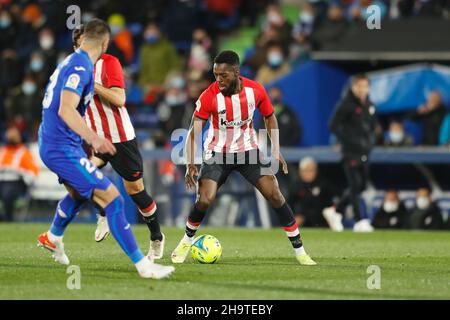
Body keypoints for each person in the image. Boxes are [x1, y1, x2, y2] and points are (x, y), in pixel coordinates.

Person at [36, 19, 174, 279]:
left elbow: (118, 99)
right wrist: (93, 138)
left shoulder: (85, 64)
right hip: (75, 143)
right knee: (112, 198)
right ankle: (143, 266)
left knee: (132, 191)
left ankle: (55, 236)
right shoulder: (78, 65)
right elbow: (66, 108)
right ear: (104, 41)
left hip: (115, 139)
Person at [171, 50, 316, 266]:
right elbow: (194, 131)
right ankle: (185, 241)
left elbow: (269, 117)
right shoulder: (209, 96)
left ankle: (301, 252)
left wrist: (275, 149)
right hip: (217, 153)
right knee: (205, 199)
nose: (218, 80)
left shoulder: (255, 90)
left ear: (236, 72)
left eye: (223, 75)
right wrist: (191, 163)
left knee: (275, 194)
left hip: (248, 151)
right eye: (215, 75)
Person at [72, 25, 165, 259]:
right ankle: (103, 214)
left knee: (136, 192)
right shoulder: (73, 67)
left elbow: (120, 99)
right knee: (83, 176)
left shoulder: (109, 62)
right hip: (97, 138)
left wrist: (92, 84)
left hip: (120, 138)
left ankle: (156, 237)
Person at [329, 74, 376, 232]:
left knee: (361, 185)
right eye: (359, 86)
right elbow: (333, 125)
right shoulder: (346, 104)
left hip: (365, 151)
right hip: (350, 152)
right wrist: (347, 140)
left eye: (365, 86)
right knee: (354, 185)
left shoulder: (369, 105)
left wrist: (370, 142)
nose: (362, 90)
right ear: (353, 87)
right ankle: (359, 220)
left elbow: (371, 127)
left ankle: (336, 210)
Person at [289, 157, 343, 231]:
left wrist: (333, 213)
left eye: (312, 170)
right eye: (306, 170)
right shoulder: (296, 186)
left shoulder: (324, 184)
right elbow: (289, 204)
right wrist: (293, 218)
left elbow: (335, 200)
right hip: (303, 222)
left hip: (322, 221)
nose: (309, 173)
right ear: (300, 172)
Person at [0, 125, 39, 221]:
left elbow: (33, 172)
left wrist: (19, 172)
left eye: (14, 135)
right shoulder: (3, 151)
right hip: (2, 181)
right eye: (9, 135)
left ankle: (7, 218)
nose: (11, 137)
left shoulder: (24, 152)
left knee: (7, 192)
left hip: (17, 183)